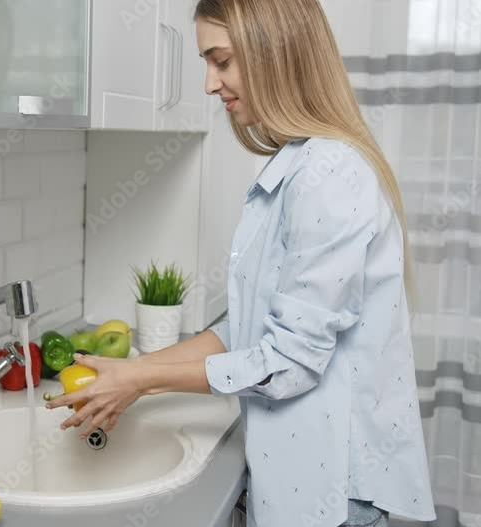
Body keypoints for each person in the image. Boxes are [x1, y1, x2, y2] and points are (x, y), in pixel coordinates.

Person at [44, 1, 438, 525]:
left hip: (330, 496)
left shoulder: (329, 174)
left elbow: (289, 362)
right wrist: (134, 372)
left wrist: (143, 381)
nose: (210, 84)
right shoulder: (298, 166)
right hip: (302, 481)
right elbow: (247, 327)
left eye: (222, 60)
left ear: (276, 53)